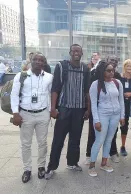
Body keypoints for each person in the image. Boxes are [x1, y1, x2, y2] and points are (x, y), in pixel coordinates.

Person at [45, 44, 90, 179]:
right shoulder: (61, 66)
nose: (76, 53)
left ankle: (72, 163)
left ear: (82, 53)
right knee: (58, 139)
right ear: (70, 52)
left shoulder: (85, 69)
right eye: (74, 51)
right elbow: (55, 89)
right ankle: (51, 167)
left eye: (79, 51)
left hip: (79, 109)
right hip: (64, 108)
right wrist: (53, 108)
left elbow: (87, 91)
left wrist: (88, 108)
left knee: (75, 139)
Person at [10, 52, 53, 183]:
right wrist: (16, 113)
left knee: (42, 143)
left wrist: (50, 111)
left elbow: (51, 94)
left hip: (42, 114)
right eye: (36, 59)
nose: (38, 62)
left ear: (44, 63)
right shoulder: (21, 76)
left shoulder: (49, 77)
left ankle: (41, 166)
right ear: (31, 60)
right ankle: (27, 169)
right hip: (25, 114)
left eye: (41, 60)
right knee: (26, 144)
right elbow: (14, 95)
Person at [88, 61, 125, 177]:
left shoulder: (117, 82)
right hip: (102, 115)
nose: (111, 73)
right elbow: (93, 104)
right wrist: (96, 121)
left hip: (115, 115)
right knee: (99, 140)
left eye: (112, 70)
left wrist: (122, 116)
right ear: (102, 71)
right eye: (108, 71)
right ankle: (92, 165)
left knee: (109, 140)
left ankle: (104, 163)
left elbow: (121, 101)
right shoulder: (95, 84)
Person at [117, 59, 131, 156]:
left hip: (128, 104)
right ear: (124, 67)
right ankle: (111, 148)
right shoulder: (119, 78)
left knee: (124, 126)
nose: (130, 68)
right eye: (128, 66)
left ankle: (123, 146)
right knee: (114, 126)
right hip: (118, 104)